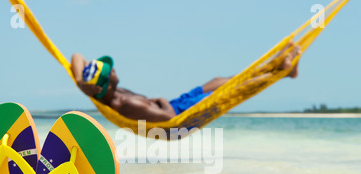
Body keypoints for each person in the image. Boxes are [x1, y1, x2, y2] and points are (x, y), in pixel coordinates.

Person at [70, 43, 301, 122]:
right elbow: (171, 119)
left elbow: (77, 57)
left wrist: (81, 81)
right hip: (180, 117)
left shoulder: (106, 92)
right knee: (233, 90)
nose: (115, 71)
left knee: (219, 81)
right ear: (105, 84)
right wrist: (160, 100)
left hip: (175, 103)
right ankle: (280, 72)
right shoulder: (127, 106)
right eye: (110, 72)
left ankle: (278, 67)